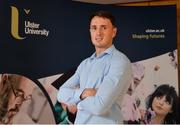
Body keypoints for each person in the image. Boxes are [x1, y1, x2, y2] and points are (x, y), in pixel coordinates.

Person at [57, 10, 132, 124]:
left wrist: (76, 101)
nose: (98, 33)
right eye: (94, 28)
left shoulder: (120, 61)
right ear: (90, 31)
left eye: (104, 28)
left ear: (114, 32)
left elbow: (99, 106)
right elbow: (61, 93)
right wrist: (85, 93)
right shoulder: (85, 63)